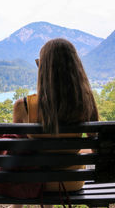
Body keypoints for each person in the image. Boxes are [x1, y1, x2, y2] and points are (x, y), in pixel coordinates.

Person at [11, 38, 99, 208]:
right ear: (76, 68)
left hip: (35, 182)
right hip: (72, 182)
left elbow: (17, 151)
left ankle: (16, 206)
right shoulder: (85, 102)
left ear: (43, 70)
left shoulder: (24, 106)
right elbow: (96, 148)